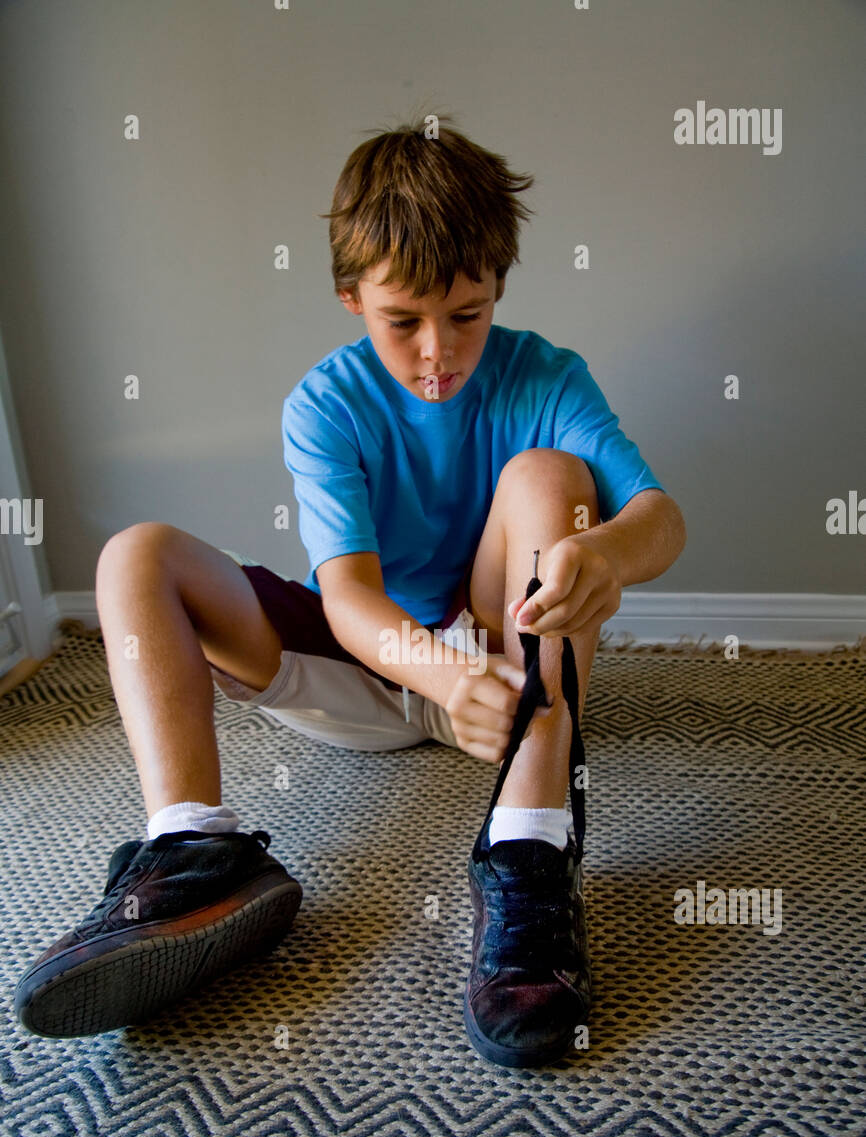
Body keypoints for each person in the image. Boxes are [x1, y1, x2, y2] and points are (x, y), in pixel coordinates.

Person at [14, 115, 686, 1066]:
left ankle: (534, 842)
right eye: (401, 320)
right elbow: (349, 601)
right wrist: (439, 681)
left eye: (467, 314)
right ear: (350, 297)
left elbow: (663, 517)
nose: (438, 352)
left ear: (498, 288)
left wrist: (606, 556)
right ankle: (195, 849)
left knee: (547, 478)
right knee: (135, 555)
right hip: (373, 661)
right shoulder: (325, 404)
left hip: (505, 666)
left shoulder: (547, 376)